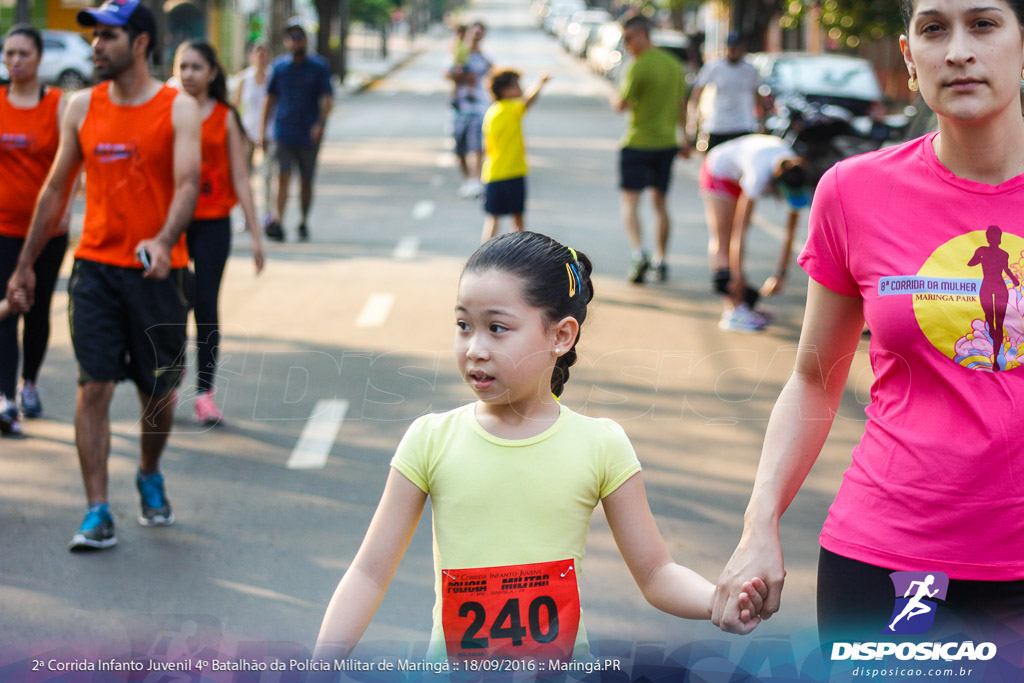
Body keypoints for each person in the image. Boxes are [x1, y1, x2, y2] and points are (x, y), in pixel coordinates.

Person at [712, 0, 1024, 643]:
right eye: (934, 28)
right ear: (910, 59)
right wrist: (759, 524)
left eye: (985, 24)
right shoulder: (853, 192)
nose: (959, 50)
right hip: (886, 562)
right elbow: (814, 378)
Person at [314, 231, 768, 662]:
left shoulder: (600, 444)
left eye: (496, 328)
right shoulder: (430, 440)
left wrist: (717, 601)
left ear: (561, 336)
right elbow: (369, 573)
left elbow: (656, 574)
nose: (474, 348)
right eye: (462, 325)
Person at [6, 0, 201, 551]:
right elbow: (55, 190)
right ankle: (97, 509)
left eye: (108, 36)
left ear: (140, 43)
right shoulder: (80, 107)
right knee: (92, 387)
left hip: (159, 273)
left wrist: (164, 241)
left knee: (158, 392)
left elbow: (187, 184)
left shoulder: (178, 108)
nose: (95, 46)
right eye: (93, 36)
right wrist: (24, 265)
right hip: (94, 269)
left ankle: (148, 471)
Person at [173, 41, 266, 425]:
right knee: (173, 302)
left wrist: (256, 235)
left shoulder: (225, 116)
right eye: (183, 66)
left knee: (206, 306)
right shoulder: (167, 108)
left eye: (197, 67)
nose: (189, 74)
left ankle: (204, 394)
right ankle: (170, 381)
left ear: (212, 72)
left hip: (213, 222)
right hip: (175, 222)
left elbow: (241, 177)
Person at [0, 25, 73, 435]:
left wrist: (62, 216)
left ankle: (30, 383)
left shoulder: (59, 104)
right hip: (4, 227)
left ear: (39, 57)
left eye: (22, 54)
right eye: (9, 53)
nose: (14, 61)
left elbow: (70, 167)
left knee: (38, 309)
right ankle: (5, 397)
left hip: (47, 230)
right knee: (8, 305)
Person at [698, 134, 808, 333]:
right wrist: (737, 276)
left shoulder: (794, 169)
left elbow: (790, 233)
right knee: (725, 238)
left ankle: (743, 304)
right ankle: (733, 310)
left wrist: (780, 275)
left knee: (733, 240)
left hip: (740, 170)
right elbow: (739, 234)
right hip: (718, 171)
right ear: (775, 186)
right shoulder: (759, 175)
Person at [612, 14, 687, 285]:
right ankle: (662, 259)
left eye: (629, 38)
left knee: (631, 204)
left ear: (643, 34)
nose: (627, 44)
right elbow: (682, 104)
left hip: (637, 142)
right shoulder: (674, 65)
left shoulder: (638, 66)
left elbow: (621, 104)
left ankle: (638, 252)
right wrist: (685, 137)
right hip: (667, 144)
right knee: (661, 203)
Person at [259, 20, 333, 242]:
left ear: (305, 40)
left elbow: (327, 99)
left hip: (308, 133)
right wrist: (262, 132)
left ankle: (303, 220)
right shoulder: (279, 67)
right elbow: (269, 100)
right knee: (282, 176)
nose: (295, 42)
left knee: (306, 181)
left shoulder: (319, 67)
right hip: (283, 131)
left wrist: (319, 124)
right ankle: (278, 221)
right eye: (291, 38)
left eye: (299, 37)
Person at [480, 69, 550, 242]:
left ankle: (481, 261)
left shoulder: (492, 112)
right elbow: (528, 101)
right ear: (505, 90)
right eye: (516, 85)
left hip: (493, 174)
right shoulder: (510, 108)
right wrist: (540, 82)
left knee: (493, 221)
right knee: (518, 222)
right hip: (512, 173)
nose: (520, 88)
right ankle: (518, 258)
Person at [686, 31, 764, 153]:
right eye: (731, 48)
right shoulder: (714, 67)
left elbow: (757, 94)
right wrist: (693, 119)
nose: (733, 51)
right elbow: (698, 91)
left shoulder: (750, 70)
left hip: (743, 123)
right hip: (719, 123)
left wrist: (759, 117)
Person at [231, 41, 274, 227]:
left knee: (267, 175)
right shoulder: (244, 79)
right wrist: (240, 132)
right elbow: (235, 107)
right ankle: (245, 215)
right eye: (257, 53)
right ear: (251, 56)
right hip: (246, 134)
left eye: (264, 54)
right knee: (244, 176)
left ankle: (266, 214)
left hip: (269, 133)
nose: (261, 58)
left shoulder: (273, 77)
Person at [448, 22, 492, 199]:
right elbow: (449, 73)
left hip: (479, 106)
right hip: (459, 106)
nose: (476, 37)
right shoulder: (459, 53)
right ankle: (467, 180)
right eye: (474, 34)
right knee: (459, 146)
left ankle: (475, 180)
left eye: (479, 34)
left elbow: (493, 72)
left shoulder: (483, 56)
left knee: (478, 145)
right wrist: (464, 75)